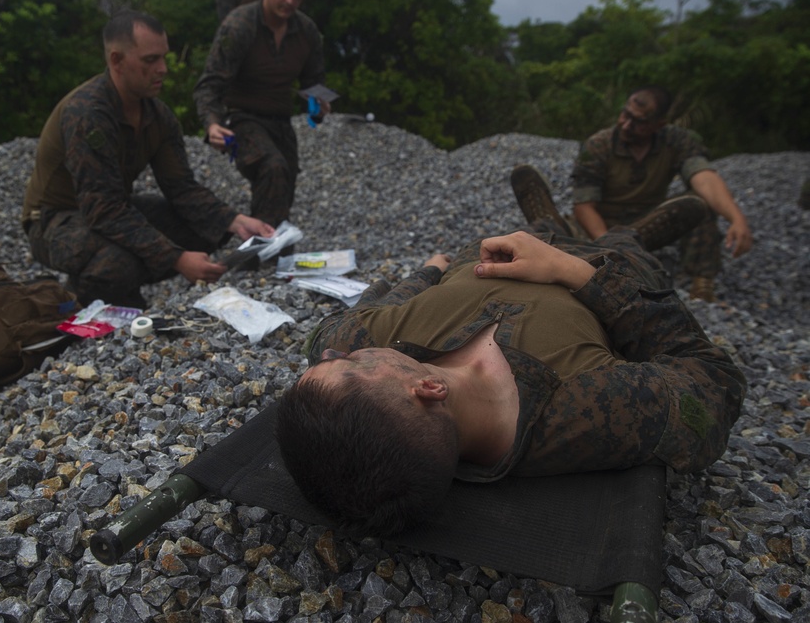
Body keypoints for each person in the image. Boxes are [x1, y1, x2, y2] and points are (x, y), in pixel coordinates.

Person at [275, 178, 746, 536]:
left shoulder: (366, 342)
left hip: (491, 252)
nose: (339, 352)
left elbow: (365, 312)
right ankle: (628, 234)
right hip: (601, 268)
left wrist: (429, 271)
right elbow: (712, 376)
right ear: (428, 390)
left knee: (534, 230)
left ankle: (546, 223)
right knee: (622, 246)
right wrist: (576, 271)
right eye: (351, 365)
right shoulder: (594, 411)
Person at [22, 10, 274, 307]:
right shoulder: (87, 114)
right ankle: (85, 303)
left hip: (110, 205)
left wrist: (235, 221)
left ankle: (113, 285)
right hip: (55, 219)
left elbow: (181, 187)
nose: (163, 69)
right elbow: (102, 209)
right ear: (116, 61)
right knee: (117, 262)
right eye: (150, 60)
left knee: (206, 226)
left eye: (163, 58)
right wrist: (177, 259)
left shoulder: (157, 115)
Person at [561, 85, 753, 302]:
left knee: (697, 203)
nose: (626, 124)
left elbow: (703, 177)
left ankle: (702, 284)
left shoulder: (676, 140)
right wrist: (611, 245)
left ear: (658, 124)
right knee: (559, 233)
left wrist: (736, 219)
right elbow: (584, 205)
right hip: (606, 225)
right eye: (625, 114)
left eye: (638, 122)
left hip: (651, 223)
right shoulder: (598, 145)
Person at [194, 0, 328, 228]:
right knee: (273, 167)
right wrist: (212, 124)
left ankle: (276, 253)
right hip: (240, 117)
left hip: (280, 120)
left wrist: (319, 107)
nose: (290, 0)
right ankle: (265, 255)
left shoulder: (307, 31)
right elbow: (209, 85)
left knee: (284, 183)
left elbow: (313, 85)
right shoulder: (239, 25)